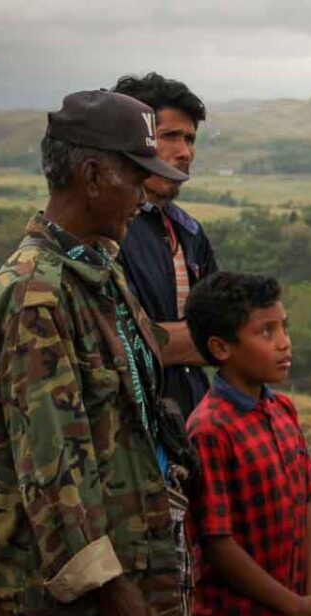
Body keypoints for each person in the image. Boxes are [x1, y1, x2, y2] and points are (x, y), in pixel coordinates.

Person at [0, 90, 194, 616]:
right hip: (78, 603)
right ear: (94, 176)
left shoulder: (98, 268)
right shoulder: (36, 293)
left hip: (136, 560)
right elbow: (51, 459)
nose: (143, 193)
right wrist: (106, 584)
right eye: (135, 177)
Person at [182, 271, 311, 616]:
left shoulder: (283, 411)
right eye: (266, 332)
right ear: (221, 348)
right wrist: (294, 605)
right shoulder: (210, 430)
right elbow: (217, 544)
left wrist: (310, 601)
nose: (284, 343)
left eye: (284, 328)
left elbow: (307, 505)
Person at [112, 72, 219, 420]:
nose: (184, 152)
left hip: (189, 422)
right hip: (129, 426)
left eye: (190, 139)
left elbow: (224, 332)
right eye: (170, 136)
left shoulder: (188, 231)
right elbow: (117, 344)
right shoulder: (108, 232)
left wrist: (173, 340)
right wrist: (204, 339)